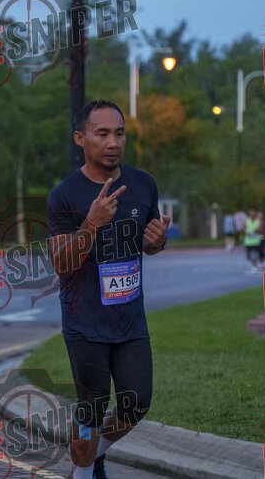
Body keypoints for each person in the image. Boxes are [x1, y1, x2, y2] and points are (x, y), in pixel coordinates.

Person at [48, 100, 169, 479]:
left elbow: (148, 243)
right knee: (91, 409)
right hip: (85, 322)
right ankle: (83, 474)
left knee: (137, 403)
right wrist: (91, 224)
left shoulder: (143, 183)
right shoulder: (64, 195)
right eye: (101, 134)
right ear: (80, 138)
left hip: (130, 319)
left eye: (119, 133)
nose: (113, 142)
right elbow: (61, 265)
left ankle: (91, 455)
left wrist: (157, 242)